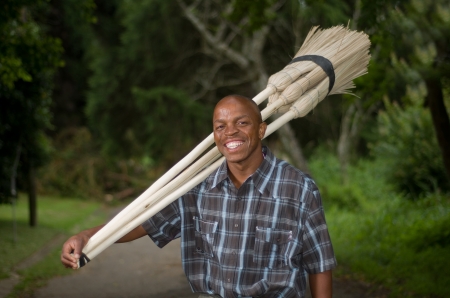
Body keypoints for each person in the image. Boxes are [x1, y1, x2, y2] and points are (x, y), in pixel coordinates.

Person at [61, 94, 337, 298]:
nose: (230, 132)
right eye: (221, 126)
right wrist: (87, 237)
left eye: (242, 122)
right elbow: (143, 223)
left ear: (261, 129)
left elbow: (319, 263)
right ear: (215, 135)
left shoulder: (298, 188)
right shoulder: (196, 187)